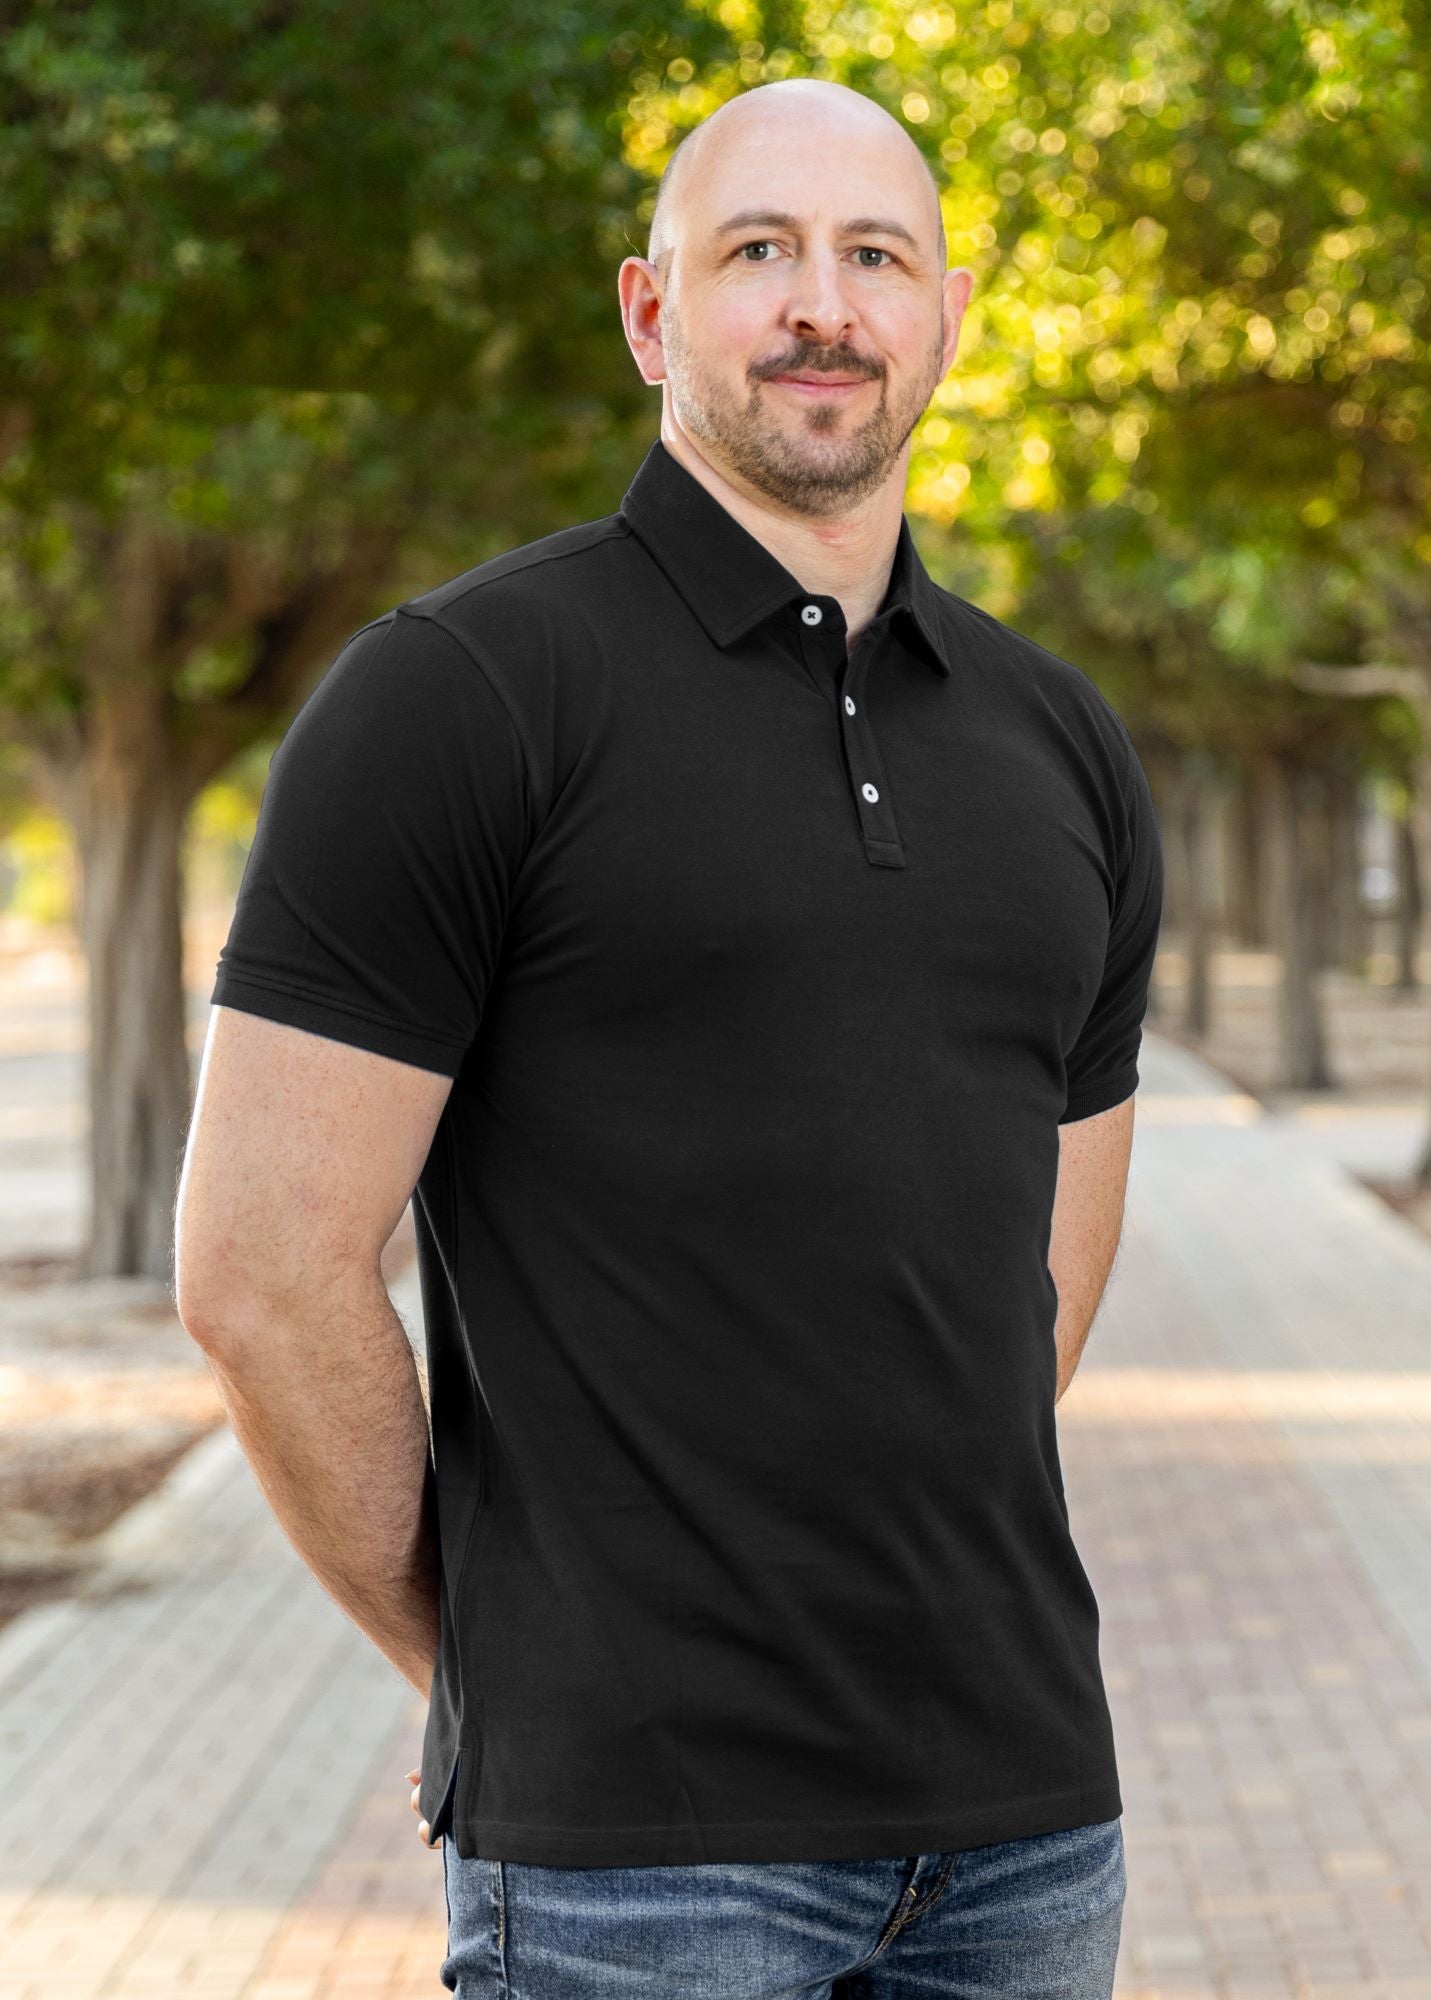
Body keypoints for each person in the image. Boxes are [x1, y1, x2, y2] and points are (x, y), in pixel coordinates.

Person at [175, 73, 1163, 2000]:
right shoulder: (459, 698)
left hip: (1028, 1830)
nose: (824, 306)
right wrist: (489, 1669)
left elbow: (1037, 1278)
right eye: (759, 255)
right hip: (637, 1862)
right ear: (650, 313)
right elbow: (262, 1276)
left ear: (948, 313)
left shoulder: (1065, 746)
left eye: (876, 257)